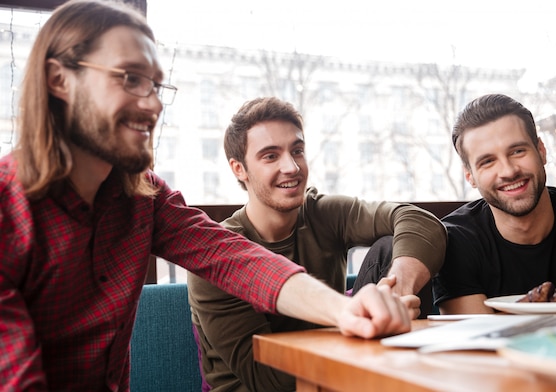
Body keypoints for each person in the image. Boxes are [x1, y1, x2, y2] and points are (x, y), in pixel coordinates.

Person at [0, 2, 420, 391]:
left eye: (156, 85)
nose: (153, 105)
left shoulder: (142, 194)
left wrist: (344, 310)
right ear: (59, 80)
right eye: (130, 78)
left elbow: (233, 257)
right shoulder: (7, 211)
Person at [187, 96, 447, 391]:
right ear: (239, 169)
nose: (292, 167)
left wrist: (398, 296)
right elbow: (266, 378)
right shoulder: (217, 254)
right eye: (270, 156)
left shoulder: (322, 212)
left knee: (391, 248)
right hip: (274, 384)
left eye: (297, 151)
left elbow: (419, 221)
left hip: (343, 365)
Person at [432, 94, 556, 314]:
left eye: (517, 151)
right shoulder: (454, 242)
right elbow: (477, 338)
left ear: (541, 151)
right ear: (470, 176)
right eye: (488, 161)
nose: (508, 171)